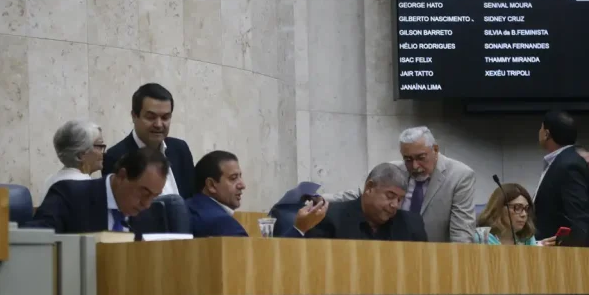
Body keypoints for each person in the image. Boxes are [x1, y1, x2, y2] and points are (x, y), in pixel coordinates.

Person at [324, 126, 475, 243]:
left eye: (421, 157)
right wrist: (315, 198)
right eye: (408, 159)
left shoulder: (460, 176)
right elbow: (361, 196)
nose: (415, 166)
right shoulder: (394, 170)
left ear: (435, 149)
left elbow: (461, 233)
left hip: (437, 259)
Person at [186, 151, 326, 237]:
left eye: (240, 177)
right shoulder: (221, 223)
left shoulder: (189, 208)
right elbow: (261, 267)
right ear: (211, 185)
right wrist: (300, 227)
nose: (242, 185)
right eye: (233, 178)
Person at [28, 148, 169, 233]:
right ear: (122, 176)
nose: (147, 204)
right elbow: (36, 242)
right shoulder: (69, 196)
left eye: (154, 196)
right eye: (144, 193)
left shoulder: (151, 215)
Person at [103, 83, 194, 199]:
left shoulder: (180, 149)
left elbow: (191, 197)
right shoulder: (116, 156)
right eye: (151, 117)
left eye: (165, 117)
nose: (159, 124)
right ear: (134, 116)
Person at [298, 163, 428, 241]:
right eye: (390, 196)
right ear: (369, 187)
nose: (395, 205)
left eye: (400, 199)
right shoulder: (329, 218)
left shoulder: (411, 225)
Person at [533, 111, 589, 247]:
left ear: (546, 134)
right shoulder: (561, 160)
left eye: (540, 128)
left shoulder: (569, 164)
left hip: (562, 256)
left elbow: (579, 219)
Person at [473, 183, 556, 246]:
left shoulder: (527, 238)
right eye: (517, 208)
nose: (524, 214)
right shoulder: (481, 238)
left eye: (526, 208)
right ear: (499, 208)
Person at [41, 120, 106, 199]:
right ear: (80, 155)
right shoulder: (88, 186)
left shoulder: (50, 181)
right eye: (99, 146)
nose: (103, 152)